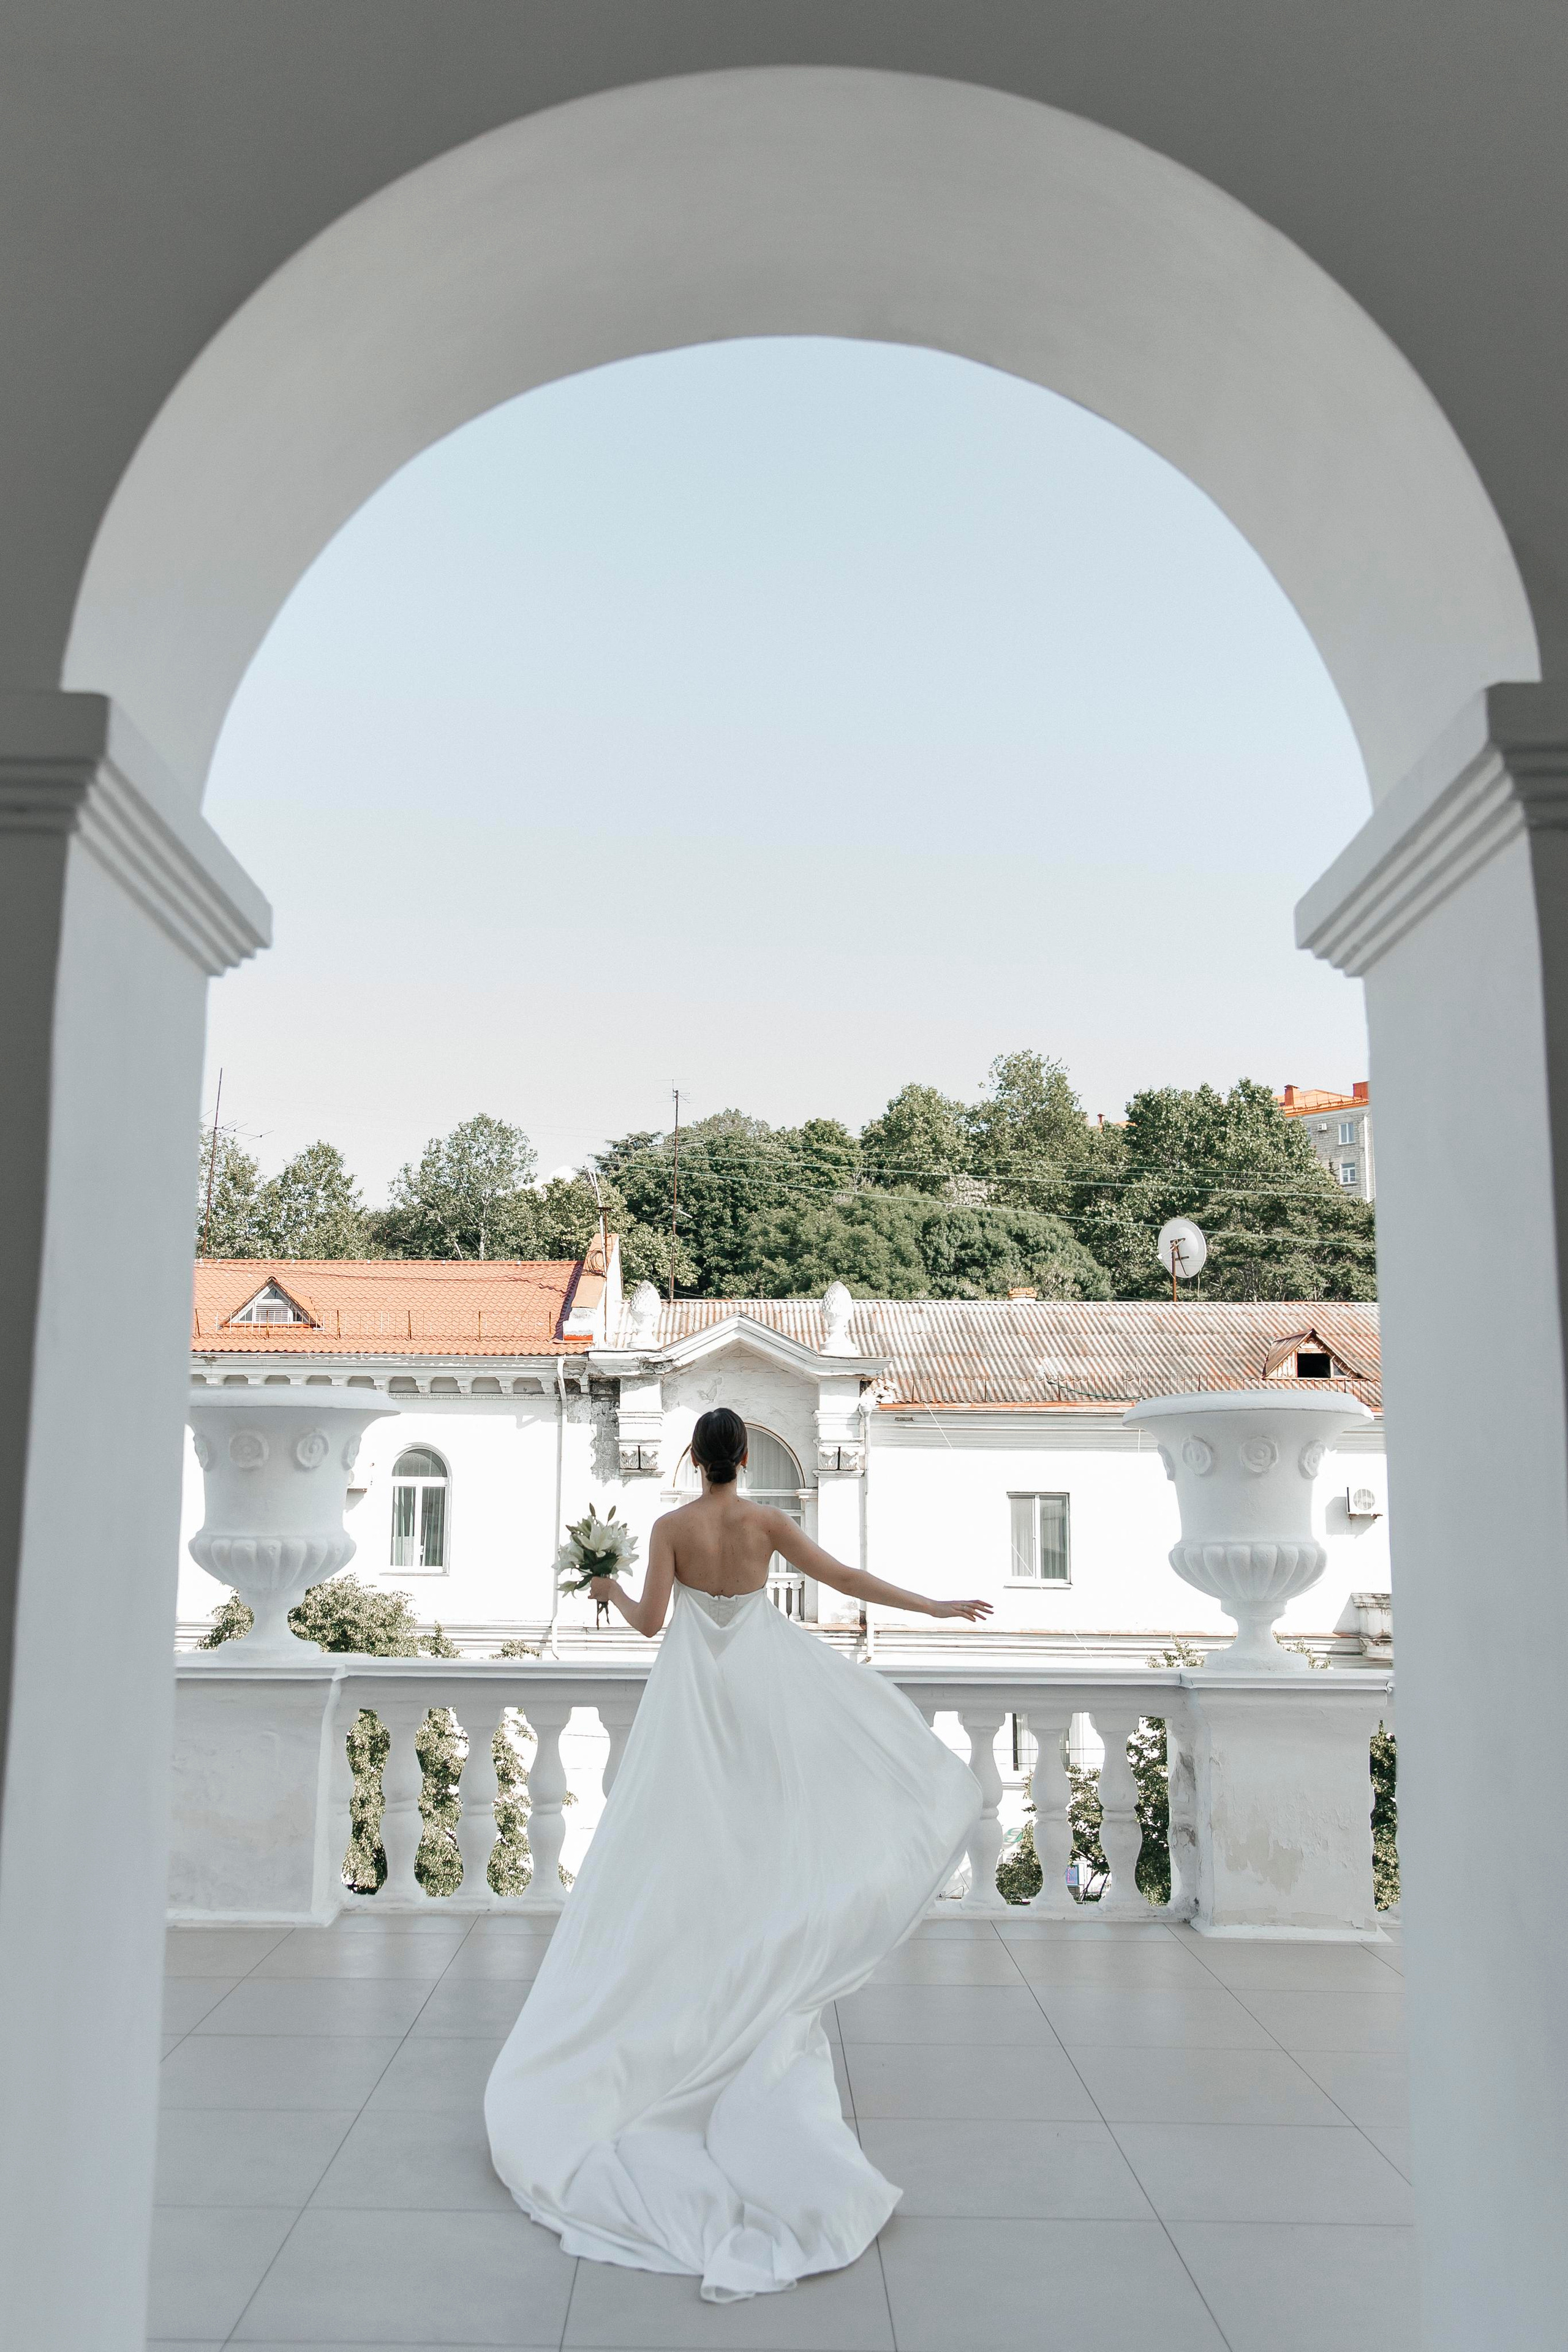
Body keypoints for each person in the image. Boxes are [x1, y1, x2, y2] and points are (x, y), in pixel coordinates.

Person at [485, 1405, 993, 2302]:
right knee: (762, 1834)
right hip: (759, 1695)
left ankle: (695, 1976)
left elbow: (649, 1625)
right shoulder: (763, 1523)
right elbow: (845, 1578)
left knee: (684, 1843)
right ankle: (752, 1964)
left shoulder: (672, 1526)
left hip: (694, 1707)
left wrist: (602, 1588)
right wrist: (938, 1605)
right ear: (745, 1457)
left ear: (694, 1457)